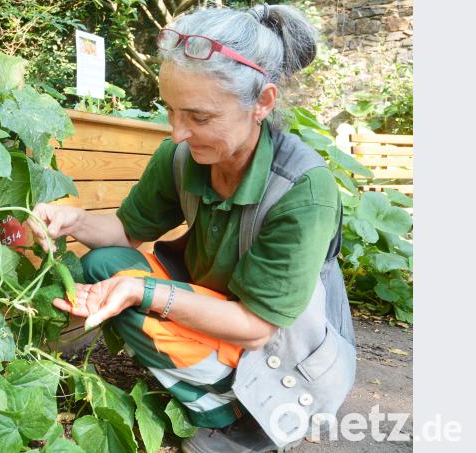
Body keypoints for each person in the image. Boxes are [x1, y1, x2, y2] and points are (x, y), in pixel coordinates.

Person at [29, 4, 356, 452]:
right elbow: (127, 233)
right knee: (106, 265)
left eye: (199, 118)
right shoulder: (182, 157)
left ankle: (234, 417)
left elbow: (257, 327)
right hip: (214, 307)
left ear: (262, 103)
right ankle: (211, 394)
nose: (177, 133)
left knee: (132, 288)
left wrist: (143, 291)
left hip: (281, 352)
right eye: (171, 111)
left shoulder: (303, 190)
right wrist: (75, 220)